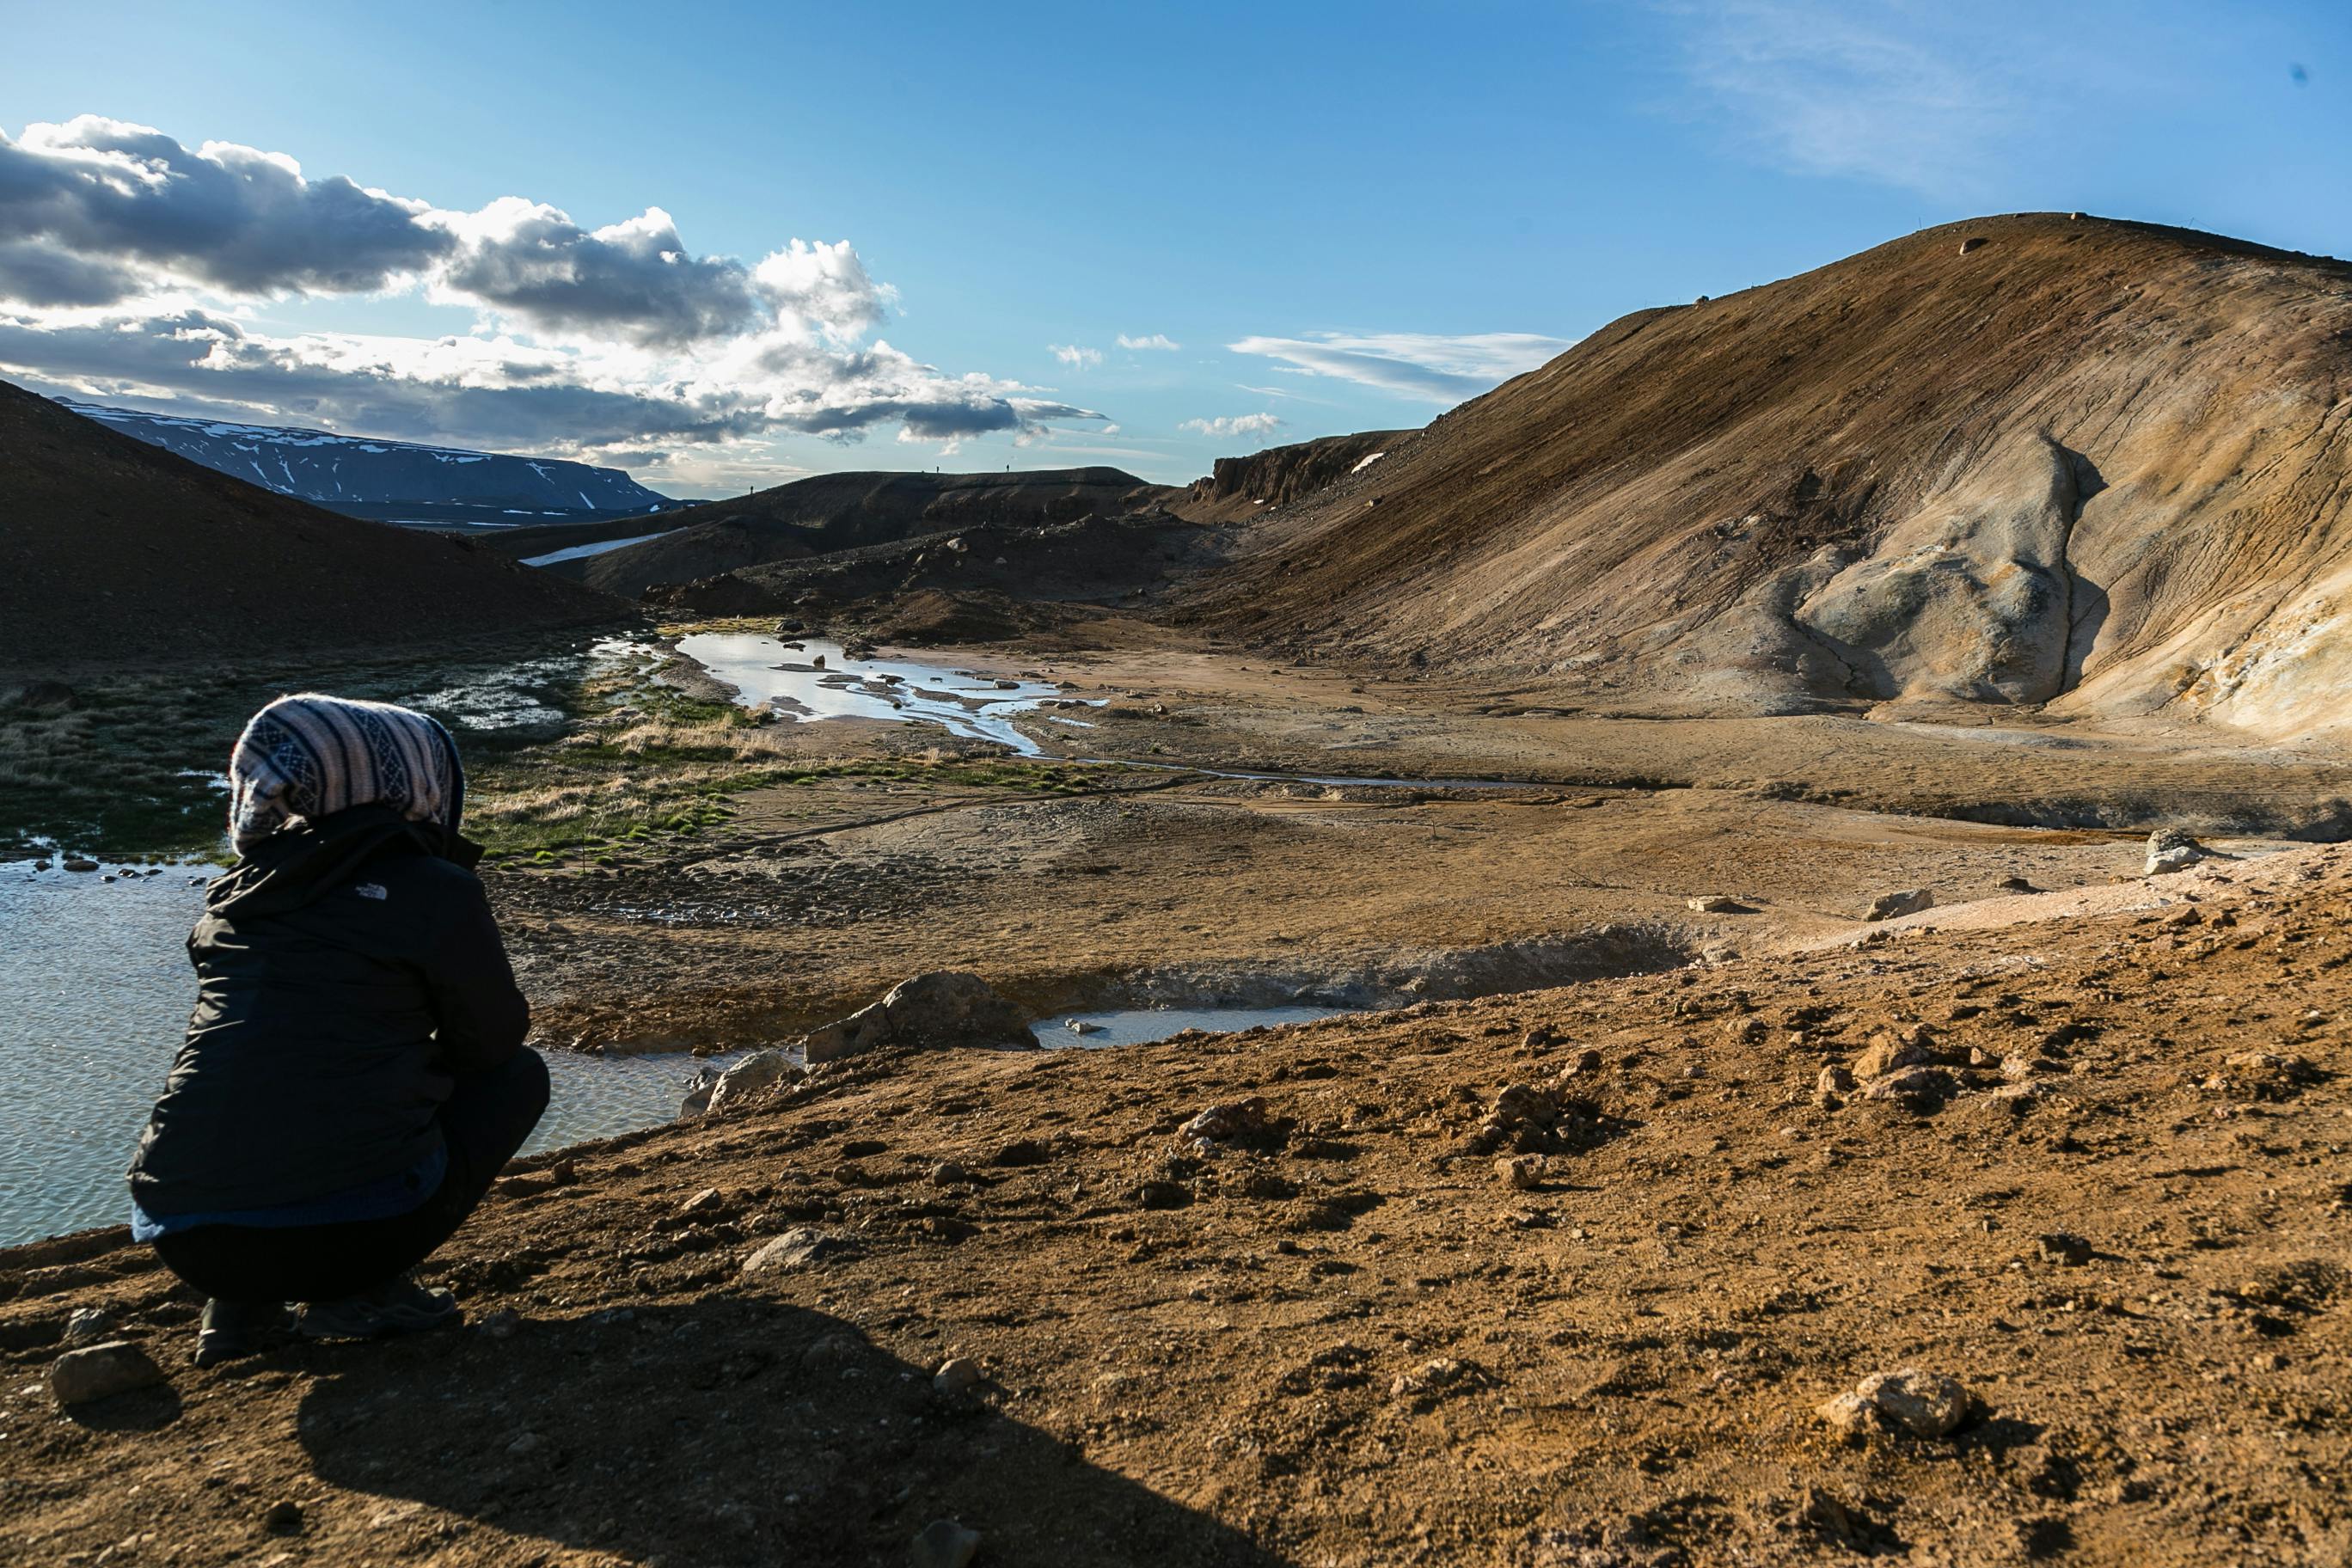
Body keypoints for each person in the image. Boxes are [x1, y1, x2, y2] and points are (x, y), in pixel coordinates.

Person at [127, 694, 548, 1366]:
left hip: (183, 1232)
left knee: (255, 1074)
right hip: (346, 1236)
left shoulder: (235, 901)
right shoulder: (432, 888)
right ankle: (365, 1291)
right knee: (520, 1077)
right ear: (409, 780)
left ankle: (239, 1309)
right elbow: (491, 1045)